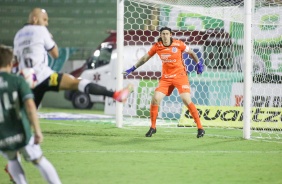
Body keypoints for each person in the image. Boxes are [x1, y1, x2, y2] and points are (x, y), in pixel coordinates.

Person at [13, 7, 133, 109]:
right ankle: (115, 94)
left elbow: (16, 60)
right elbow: (55, 54)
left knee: (27, 114)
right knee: (77, 83)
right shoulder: (41, 30)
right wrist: (49, 38)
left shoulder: (18, 35)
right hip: (44, 77)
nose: (46, 23)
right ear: (35, 19)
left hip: (27, 79)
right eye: (44, 20)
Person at [124, 27, 205, 138]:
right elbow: (145, 58)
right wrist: (133, 68)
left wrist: (198, 63)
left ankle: (200, 128)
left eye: (167, 34)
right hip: (166, 78)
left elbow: (191, 52)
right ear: (161, 35)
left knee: (186, 99)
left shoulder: (178, 44)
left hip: (180, 76)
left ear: (171, 35)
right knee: (155, 98)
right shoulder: (157, 46)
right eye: (163, 34)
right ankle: (153, 127)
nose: (165, 36)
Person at [0, 45, 62, 184]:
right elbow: (30, 106)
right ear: (10, 63)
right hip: (22, 131)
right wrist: (38, 131)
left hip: (2, 134)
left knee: (12, 159)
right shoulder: (17, 80)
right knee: (38, 160)